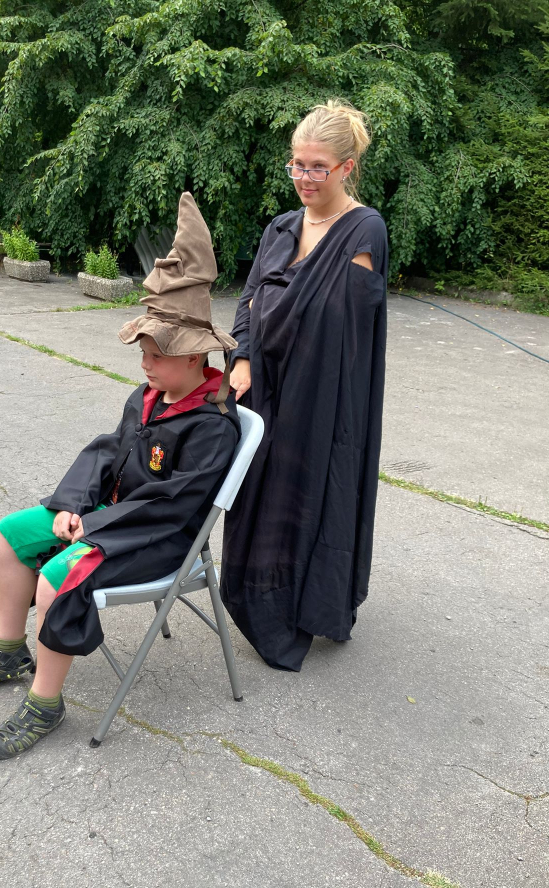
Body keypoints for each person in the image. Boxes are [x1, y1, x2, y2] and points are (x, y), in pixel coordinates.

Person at [0, 193, 240, 759]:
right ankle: (8, 650)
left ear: (195, 356)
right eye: (143, 351)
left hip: (155, 538)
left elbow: (173, 506)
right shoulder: (148, 396)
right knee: (12, 534)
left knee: (59, 574)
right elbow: (106, 455)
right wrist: (73, 506)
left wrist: (96, 525)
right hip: (107, 520)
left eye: (157, 353)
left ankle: (45, 703)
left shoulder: (211, 426)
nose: (145, 362)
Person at [221, 100, 388, 672]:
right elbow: (247, 300)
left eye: (318, 166)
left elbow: (343, 325)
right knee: (258, 495)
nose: (305, 177)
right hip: (262, 385)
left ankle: (305, 606)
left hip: (323, 395)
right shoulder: (280, 227)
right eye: (297, 164)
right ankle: (258, 596)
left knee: (311, 494)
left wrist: (277, 308)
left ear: (346, 167)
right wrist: (243, 357)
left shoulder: (364, 229)